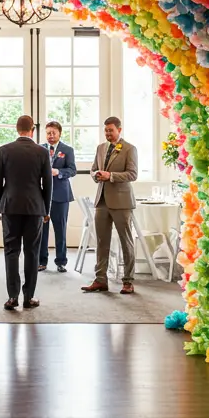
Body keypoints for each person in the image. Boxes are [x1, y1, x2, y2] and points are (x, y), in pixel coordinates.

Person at [0, 114, 53, 311]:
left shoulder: (4, 150)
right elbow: (48, 184)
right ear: (32, 130)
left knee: (11, 252)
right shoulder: (42, 152)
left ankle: (12, 297)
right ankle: (29, 297)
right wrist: (46, 209)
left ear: (16, 129)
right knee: (32, 252)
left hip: (10, 207)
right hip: (35, 208)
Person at [82, 116, 138, 295]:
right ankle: (100, 280)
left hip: (121, 202)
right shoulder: (100, 148)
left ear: (119, 130)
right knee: (101, 242)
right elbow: (92, 169)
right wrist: (96, 175)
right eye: (105, 130)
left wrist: (111, 176)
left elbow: (132, 174)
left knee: (126, 242)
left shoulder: (129, 149)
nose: (107, 133)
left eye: (111, 130)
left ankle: (128, 281)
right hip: (102, 201)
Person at [39, 120, 76, 272]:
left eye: (53, 133)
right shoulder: (39, 149)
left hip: (61, 195)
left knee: (60, 229)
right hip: (42, 195)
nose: (51, 136)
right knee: (42, 231)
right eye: (48, 133)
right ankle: (42, 261)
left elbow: (72, 170)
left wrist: (59, 172)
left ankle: (61, 261)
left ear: (60, 133)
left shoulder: (67, 150)